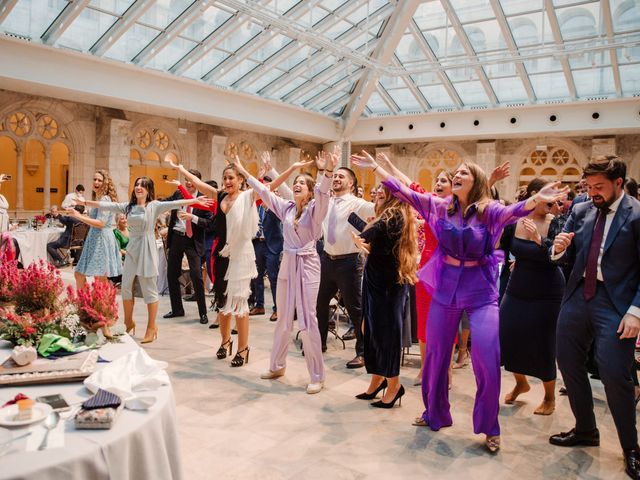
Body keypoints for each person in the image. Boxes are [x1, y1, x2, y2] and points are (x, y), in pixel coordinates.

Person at [351, 151, 567, 453]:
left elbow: (517, 210)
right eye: (457, 171)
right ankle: (435, 412)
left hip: (480, 290)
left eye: (464, 172)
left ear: (475, 181)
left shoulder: (489, 210)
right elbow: (406, 192)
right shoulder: (440, 206)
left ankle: (490, 426)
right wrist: (375, 168)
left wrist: (535, 199)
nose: (457, 175)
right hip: (446, 286)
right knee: (436, 355)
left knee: (488, 356)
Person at [549, 156, 640, 480]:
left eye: (600, 187)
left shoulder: (637, 215)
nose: (593, 193)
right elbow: (564, 253)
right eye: (589, 187)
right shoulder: (581, 209)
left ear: (619, 183)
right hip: (577, 297)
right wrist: (557, 248)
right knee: (568, 363)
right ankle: (585, 428)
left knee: (615, 374)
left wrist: (635, 312)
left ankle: (631, 447)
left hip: (616, 304)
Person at [236, 149, 336, 393]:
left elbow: (323, 193)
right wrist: (243, 172)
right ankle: (277, 365)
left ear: (310, 191)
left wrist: (327, 171)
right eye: (296, 182)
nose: (297, 184)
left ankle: (317, 375)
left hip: (308, 264)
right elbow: (263, 192)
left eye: (302, 182)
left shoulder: (316, 209)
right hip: (287, 263)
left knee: (308, 320)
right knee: (282, 319)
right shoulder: (287, 208)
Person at [77, 177, 210, 343]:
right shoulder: (128, 206)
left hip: (147, 248)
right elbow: (107, 205)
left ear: (148, 190)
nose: (139, 187)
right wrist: (85, 203)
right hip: (133, 247)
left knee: (149, 289)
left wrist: (195, 200)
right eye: (137, 185)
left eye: (143, 185)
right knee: (125, 287)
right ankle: (128, 321)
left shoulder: (153, 206)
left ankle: (151, 326)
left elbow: (176, 203)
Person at [168, 159, 258, 367]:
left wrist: (245, 169)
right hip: (220, 255)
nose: (227, 181)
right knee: (222, 303)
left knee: (239, 303)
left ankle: (244, 349)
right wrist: (181, 169)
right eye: (225, 178)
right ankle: (225, 342)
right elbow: (199, 186)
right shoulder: (220, 196)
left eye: (231, 178)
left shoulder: (247, 197)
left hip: (240, 255)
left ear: (241, 180)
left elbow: (265, 188)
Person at [499, 178, 565, 416]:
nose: (551, 200)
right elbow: (501, 248)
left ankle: (549, 397)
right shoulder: (514, 222)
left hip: (548, 291)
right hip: (518, 287)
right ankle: (521, 382)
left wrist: (539, 239)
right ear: (534, 195)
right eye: (547, 195)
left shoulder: (557, 222)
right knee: (506, 335)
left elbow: (557, 257)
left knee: (544, 343)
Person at [352, 183, 417, 407]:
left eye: (383, 190)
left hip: (388, 286)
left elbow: (367, 234)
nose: (378, 192)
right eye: (378, 189)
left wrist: (351, 220)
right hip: (374, 281)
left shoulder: (395, 215)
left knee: (386, 336)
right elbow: (374, 245)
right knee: (369, 330)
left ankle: (394, 386)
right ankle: (377, 379)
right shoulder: (386, 216)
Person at [316, 154, 375, 368]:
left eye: (341, 176)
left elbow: (377, 211)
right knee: (320, 304)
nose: (337, 179)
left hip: (349, 262)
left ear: (351, 183)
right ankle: (319, 343)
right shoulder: (326, 202)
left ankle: (363, 351)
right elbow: (313, 193)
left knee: (355, 308)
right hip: (327, 259)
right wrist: (324, 171)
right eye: (335, 176)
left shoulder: (357, 203)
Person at [162, 171, 214, 325]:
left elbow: (209, 223)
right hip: (177, 236)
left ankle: (202, 313)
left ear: (197, 181)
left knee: (197, 276)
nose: (188, 183)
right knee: (171, 274)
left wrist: (193, 218)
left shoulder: (204, 198)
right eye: (186, 180)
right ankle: (177, 309)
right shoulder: (178, 194)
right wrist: (150, 202)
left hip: (193, 240)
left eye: (191, 180)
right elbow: (165, 202)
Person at [66, 170, 121, 289]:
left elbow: (101, 223)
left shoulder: (105, 199)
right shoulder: (99, 198)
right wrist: (77, 214)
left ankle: (97, 306)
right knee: (80, 274)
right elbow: (94, 221)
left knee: (100, 279)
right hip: (94, 238)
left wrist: (78, 216)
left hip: (101, 239)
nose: (96, 182)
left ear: (105, 183)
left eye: (99, 180)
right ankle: (87, 304)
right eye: (94, 179)